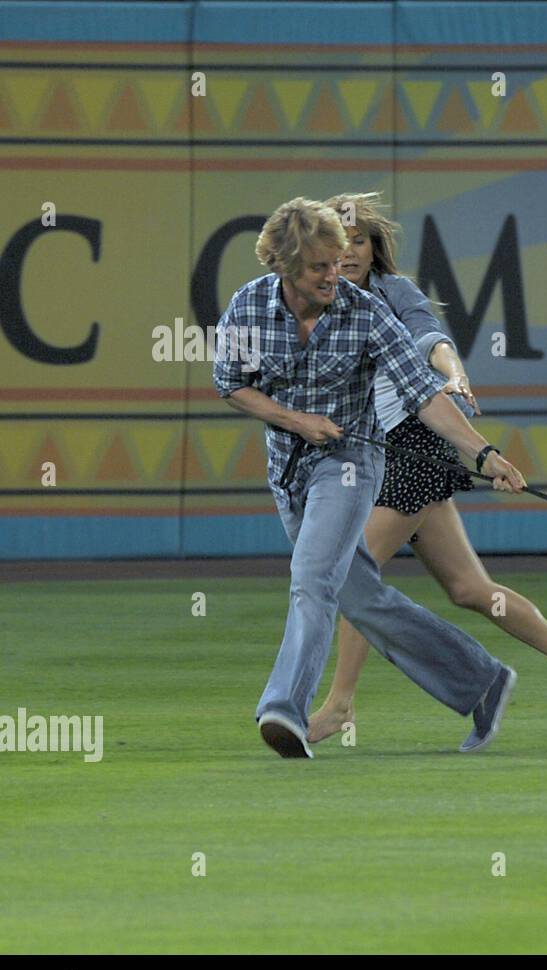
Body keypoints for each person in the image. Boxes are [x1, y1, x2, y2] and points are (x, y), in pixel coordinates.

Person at [213, 197, 527, 758]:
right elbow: (232, 384)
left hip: (350, 466)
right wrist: (294, 420)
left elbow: (423, 392)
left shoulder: (367, 311)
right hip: (288, 470)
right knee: (360, 599)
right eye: (320, 267)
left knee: (311, 580)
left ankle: (283, 708)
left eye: (339, 261)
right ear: (285, 266)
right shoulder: (248, 308)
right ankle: (480, 681)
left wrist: (483, 455)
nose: (336, 273)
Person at [306, 192, 547, 744]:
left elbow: (431, 341)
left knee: (354, 568)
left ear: (375, 250)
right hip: (382, 453)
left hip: (417, 440)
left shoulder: (393, 293)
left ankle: (341, 704)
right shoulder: (321, 304)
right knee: (470, 588)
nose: (347, 251)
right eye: (337, 241)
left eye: (358, 240)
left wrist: (456, 374)